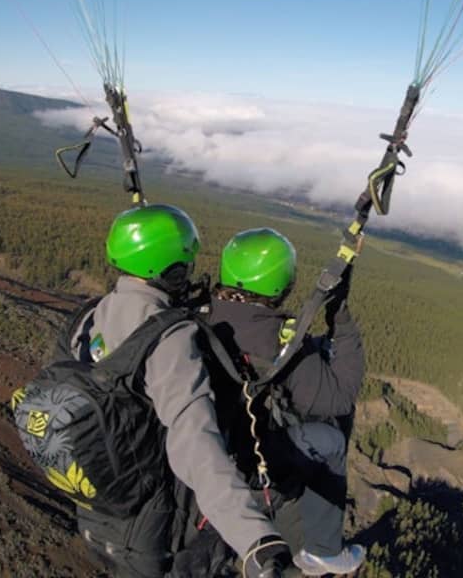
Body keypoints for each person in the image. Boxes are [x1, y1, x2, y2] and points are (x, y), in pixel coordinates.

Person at [58, 205, 294, 578]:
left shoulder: (89, 318)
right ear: (172, 270)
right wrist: (255, 539)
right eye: (185, 262)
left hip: (95, 510)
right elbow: (195, 443)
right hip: (151, 532)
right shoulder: (168, 340)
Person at [207, 227, 367, 576]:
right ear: (282, 283)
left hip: (206, 451)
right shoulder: (280, 345)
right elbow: (340, 396)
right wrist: (339, 317)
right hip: (251, 461)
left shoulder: (202, 314)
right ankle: (323, 550)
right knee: (330, 440)